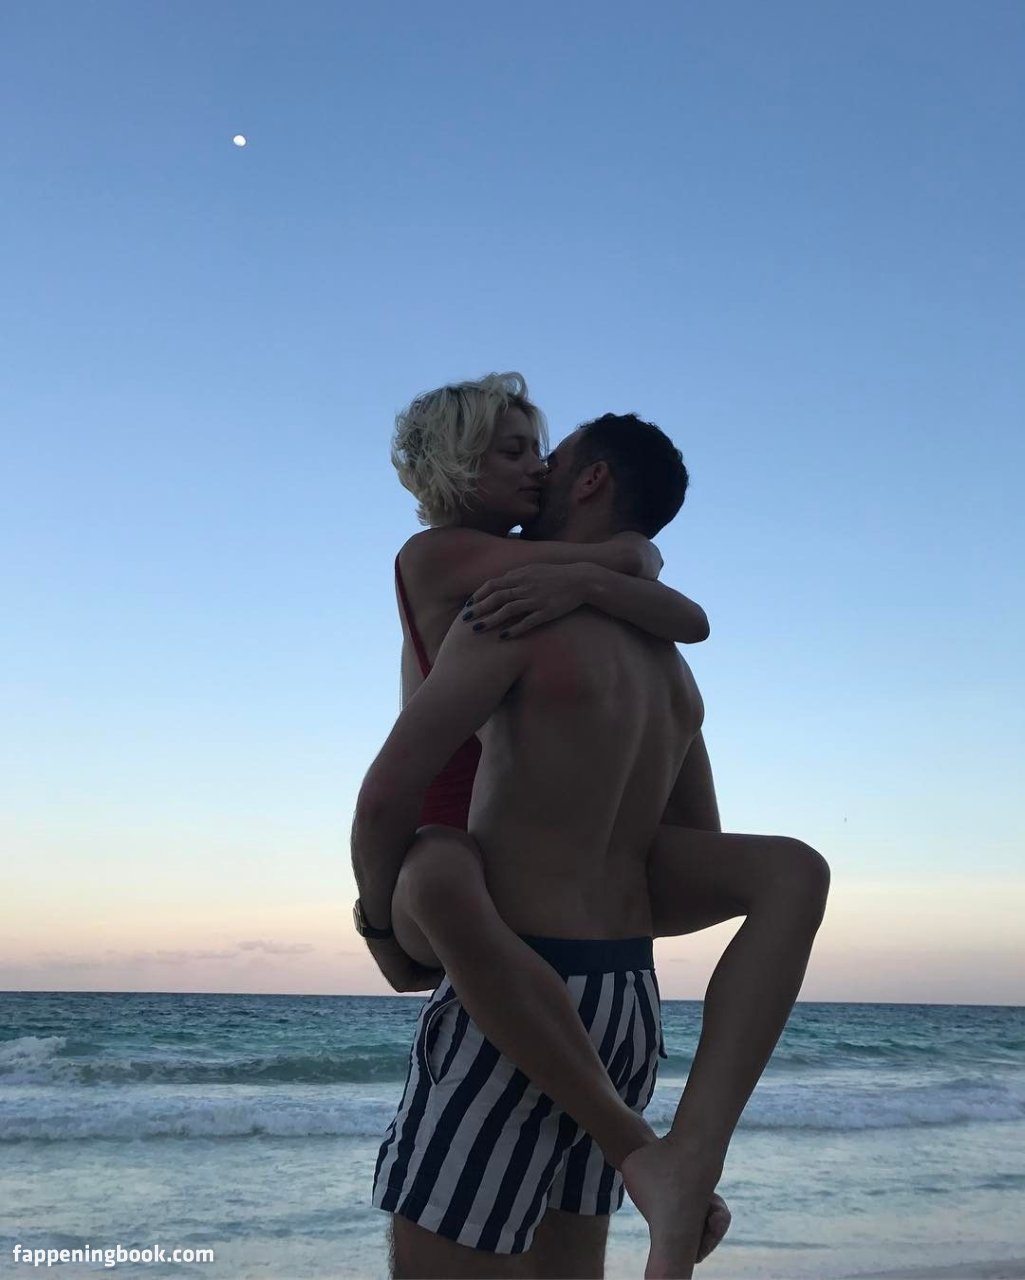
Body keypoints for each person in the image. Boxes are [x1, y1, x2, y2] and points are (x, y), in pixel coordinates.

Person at [351, 383, 830, 1278]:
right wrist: (619, 567)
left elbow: (386, 797)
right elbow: (692, 829)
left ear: (591, 479)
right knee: (794, 869)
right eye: (514, 453)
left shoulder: (507, 613)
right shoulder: (667, 668)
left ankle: (652, 1159)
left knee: (433, 867)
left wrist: (380, 930)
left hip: (509, 980)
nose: (536, 471)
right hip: (624, 1003)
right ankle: (683, 1159)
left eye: (547, 455)